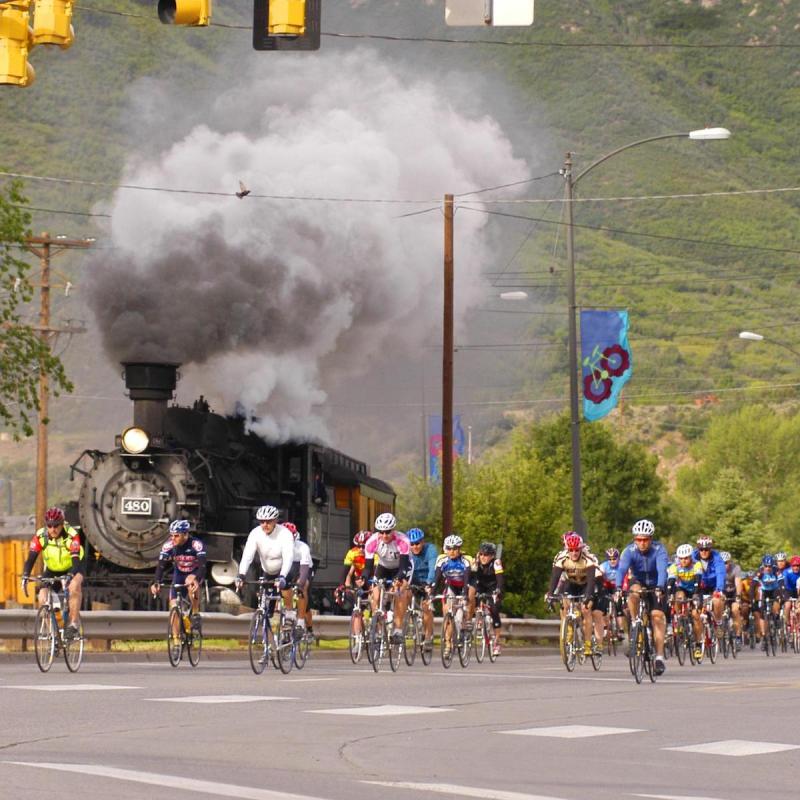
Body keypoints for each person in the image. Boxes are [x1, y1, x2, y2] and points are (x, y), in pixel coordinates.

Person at [21, 506, 84, 639]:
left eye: (56, 525)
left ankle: (73, 624)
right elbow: (31, 559)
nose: (53, 529)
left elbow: (76, 561)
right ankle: (53, 633)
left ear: (62, 524)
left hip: (72, 566)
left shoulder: (71, 535)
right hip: (51, 569)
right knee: (42, 597)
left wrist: (70, 576)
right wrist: (25, 575)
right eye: (49, 525)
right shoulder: (41, 536)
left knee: (74, 588)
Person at [616, 519, 669, 675]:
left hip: (656, 584)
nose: (642, 543)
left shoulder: (659, 550)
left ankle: (659, 658)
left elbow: (662, 570)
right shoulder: (629, 551)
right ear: (635, 539)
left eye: (645, 539)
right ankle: (635, 623)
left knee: (657, 617)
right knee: (634, 592)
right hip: (639, 581)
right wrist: (618, 587)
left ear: (651, 539)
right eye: (639, 539)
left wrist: (660, 587)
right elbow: (622, 570)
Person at [546, 532, 602, 658]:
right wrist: (550, 594)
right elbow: (555, 578)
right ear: (567, 550)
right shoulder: (562, 558)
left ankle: (587, 644)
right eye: (571, 550)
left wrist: (588, 596)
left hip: (586, 585)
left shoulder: (588, 559)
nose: (574, 553)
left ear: (581, 549)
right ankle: (569, 630)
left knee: (585, 610)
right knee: (565, 605)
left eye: (577, 550)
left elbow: (592, 581)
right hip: (570, 584)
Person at [363, 513, 411, 644]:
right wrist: (364, 577)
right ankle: (378, 629)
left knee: (400, 591)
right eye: (381, 532)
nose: (384, 535)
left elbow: (404, 567)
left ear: (393, 530)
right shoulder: (372, 541)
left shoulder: (403, 540)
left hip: (401, 567)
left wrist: (399, 578)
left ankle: (398, 630)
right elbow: (367, 568)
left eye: (388, 532)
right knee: (375, 595)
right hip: (383, 567)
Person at [235, 505, 295, 610]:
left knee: (285, 590)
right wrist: (241, 574)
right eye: (262, 522)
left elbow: (288, 558)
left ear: (275, 521)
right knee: (267, 608)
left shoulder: (285, 534)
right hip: (267, 570)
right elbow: (247, 556)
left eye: (269, 522)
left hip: (283, 569)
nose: (265, 525)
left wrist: (282, 576)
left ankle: (289, 615)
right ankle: (264, 617)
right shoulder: (255, 533)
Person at [150, 519, 206, 622]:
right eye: (171, 535)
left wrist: (197, 579)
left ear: (185, 534)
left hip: (193, 573)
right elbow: (161, 566)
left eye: (176, 536)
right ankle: (176, 637)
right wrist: (157, 582)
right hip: (179, 575)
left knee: (190, 581)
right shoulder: (169, 545)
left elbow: (203, 566)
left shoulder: (196, 544)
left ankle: (195, 612)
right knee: (173, 607)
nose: (173, 538)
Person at [433, 534, 474, 657]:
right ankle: (447, 644)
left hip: (463, 586)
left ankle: (466, 623)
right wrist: (432, 593)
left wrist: (465, 596)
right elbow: (437, 578)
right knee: (447, 613)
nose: (452, 551)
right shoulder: (442, 560)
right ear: (446, 549)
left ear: (459, 549)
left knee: (465, 604)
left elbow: (467, 580)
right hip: (451, 586)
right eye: (449, 548)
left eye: (455, 549)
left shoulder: (466, 561)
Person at [667, 543, 704, 660]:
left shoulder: (696, 564)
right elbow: (671, 582)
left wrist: (696, 595)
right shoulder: (675, 566)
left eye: (686, 558)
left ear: (690, 557)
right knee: (679, 596)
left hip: (695, 589)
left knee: (695, 615)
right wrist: (668, 594)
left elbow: (698, 580)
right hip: (682, 589)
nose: (683, 560)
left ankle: (698, 645)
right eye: (681, 558)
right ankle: (680, 618)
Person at [469, 541, 505, 657]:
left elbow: (500, 579)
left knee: (494, 610)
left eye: (487, 555)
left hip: (493, 587)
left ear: (492, 556)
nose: (483, 557)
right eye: (481, 554)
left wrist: (498, 591)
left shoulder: (496, 563)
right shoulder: (476, 561)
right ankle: (477, 619)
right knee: (472, 598)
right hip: (480, 585)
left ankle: (497, 642)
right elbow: (471, 577)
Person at [407, 527, 437, 652]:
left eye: (418, 543)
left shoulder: (430, 550)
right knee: (403, 595)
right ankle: (409, 618)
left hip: (428, 580)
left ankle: (428, 637)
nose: (415, 547)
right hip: (413, 580)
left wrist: (429, 583)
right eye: (412, 544)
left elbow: (433, 568)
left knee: (426, 607)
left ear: (423, 542)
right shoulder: (406, 551)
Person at [284, 522, 314, 636]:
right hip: (288, 566)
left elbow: (304, 569)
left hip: (304, 568)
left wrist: (300, 584)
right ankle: (289, 614)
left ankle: (301, 621)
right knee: (284, 586)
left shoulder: (302, 547)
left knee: (303, 587)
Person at [753, 554, 784, 648]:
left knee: (776, 603)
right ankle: (763, 636)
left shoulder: (776, 571)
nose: (768, 568)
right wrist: (752, 598)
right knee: (762, 612)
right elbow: (752, 586)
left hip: (774, 590)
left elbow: (781, 582)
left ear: (773, 565)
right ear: (763, 565)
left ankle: (776, 618)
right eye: (766, 566)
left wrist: (781, 593)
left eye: (770, 566)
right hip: (764, 591)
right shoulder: (760, 572)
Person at [693, 536, 726, 625]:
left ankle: (718, 622)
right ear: (698, 549)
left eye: (706, 549)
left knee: (717, 601)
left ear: (710, 549)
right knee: (696, 606)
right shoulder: (693, 557)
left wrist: (718, 590)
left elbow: (720, 573)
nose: (704, 551)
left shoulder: (717, 558)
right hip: (700, 585)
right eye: (701, 549)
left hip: (714, 585)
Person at [599, 547, 625, 641]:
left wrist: (623, 590)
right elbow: (599, 578)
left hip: (618, 586)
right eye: (610, 559)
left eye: (614, 558)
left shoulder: (622, 565)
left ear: (618, 558)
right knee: (603, 604)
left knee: (618, 604)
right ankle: (605, 627)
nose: (612, 561)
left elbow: (626, 578)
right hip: (607, 586)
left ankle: (621, 630)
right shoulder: (603, 566)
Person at [720, 550, 744, 648]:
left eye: (726, 563)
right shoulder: (717, 569)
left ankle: (738, 637)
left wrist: (738, 596)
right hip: (723, 592)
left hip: (733, 592)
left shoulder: (736, 568)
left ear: (730, 562)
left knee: (735, 610)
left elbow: (738, 583)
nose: (724, 565)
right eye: (722, 563)